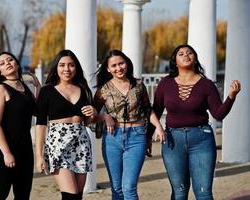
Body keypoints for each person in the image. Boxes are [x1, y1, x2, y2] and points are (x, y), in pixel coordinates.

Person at [153, 44, 241, 200]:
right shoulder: (165, 83)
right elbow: (156, 110)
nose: (186, 55)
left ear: (195, 58)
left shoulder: (206, 85)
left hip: (201, 140)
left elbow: (218, 114)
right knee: (179, 192)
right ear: (175, 60)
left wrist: (231, 96)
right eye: (181, 53)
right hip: (173, 140)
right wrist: (148, 136)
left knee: (203, 193)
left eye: (189, 53)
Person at [93, 49, 165, 200]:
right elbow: (91, 117)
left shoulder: (138, 85)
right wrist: (104, 116)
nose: (119, 68)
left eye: (121, 63)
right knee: (117, 189)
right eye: (114, 65)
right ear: (108, 68)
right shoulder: (103, 90)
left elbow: (147, 109)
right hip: (112, 138)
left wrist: (158, 127)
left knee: (129, 188)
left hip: (136, 137)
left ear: (126, 63)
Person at [35, 49, 96, 200]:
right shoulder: (47, 90)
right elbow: (41, 124)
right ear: (56, 67)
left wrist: (93, 113)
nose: (66, 69)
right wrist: (39, 156)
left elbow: (87, 122)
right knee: (70, 195)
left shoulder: (84, 89)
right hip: (58, 144)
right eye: (62, 65)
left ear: (76, 68)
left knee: (78, 196)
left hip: (81, 142)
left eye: (71, 65)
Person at [0, 52, 41, 200]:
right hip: (0, 150)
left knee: (23, 195)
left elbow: (38, 111)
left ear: (16, 63)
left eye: (10, 60)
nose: (7, 63)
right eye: (2, 63)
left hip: (24, 148)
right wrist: (6, 153)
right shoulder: (0, 89)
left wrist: (38, 86)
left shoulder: (23, 86)